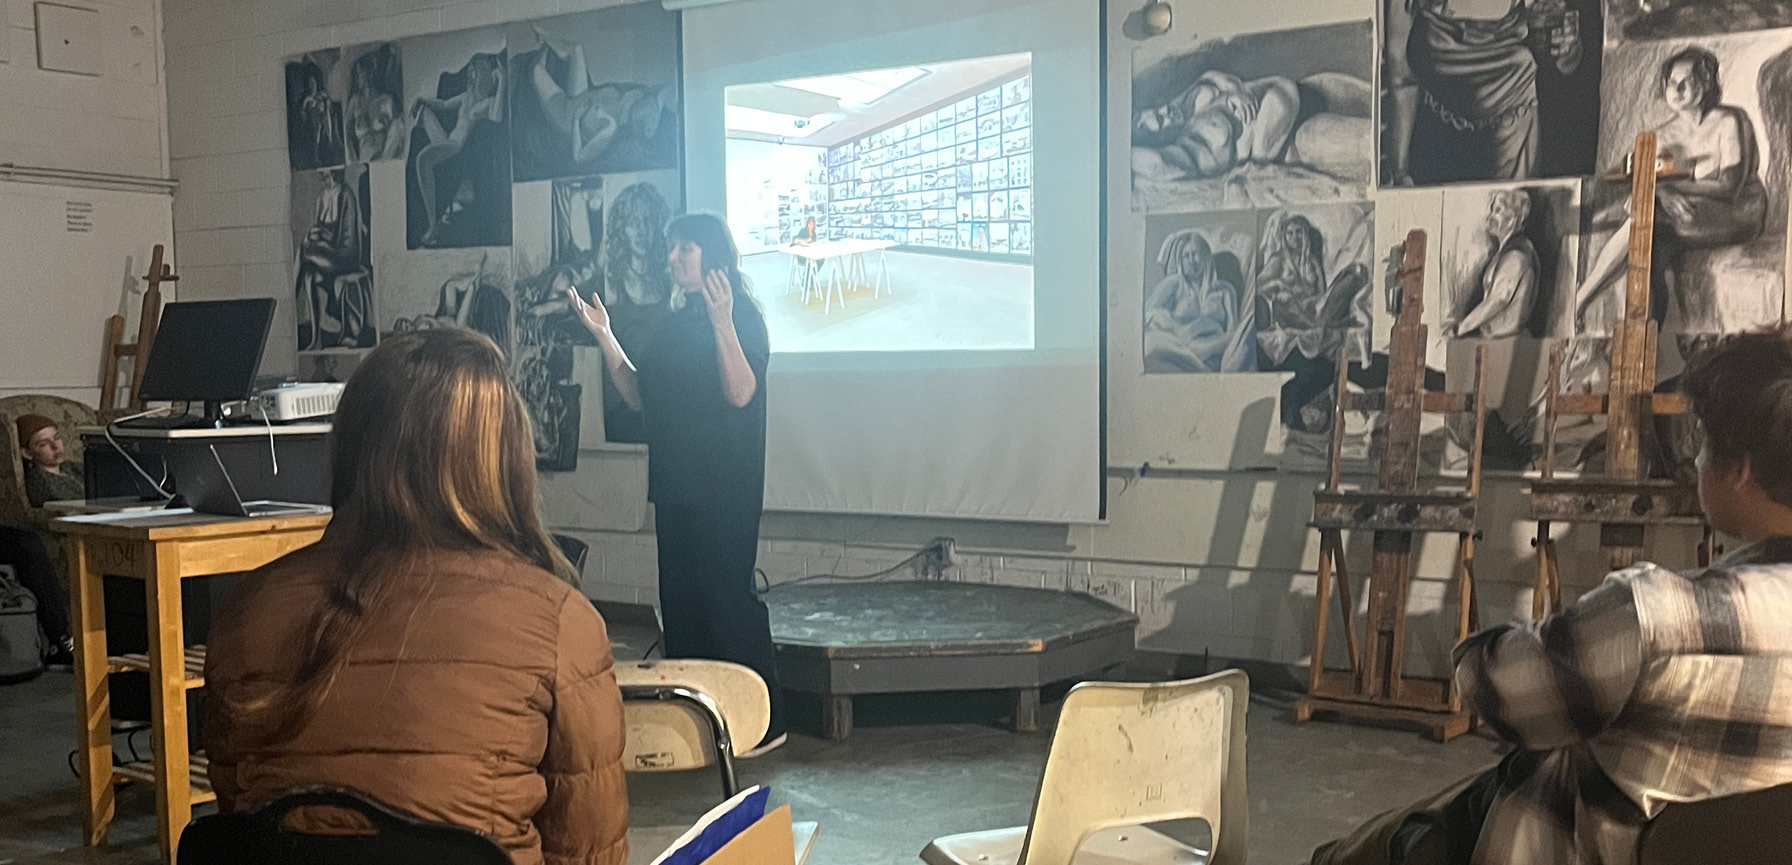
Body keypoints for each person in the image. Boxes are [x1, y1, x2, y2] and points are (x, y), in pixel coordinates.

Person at [1310, 322, 1792, 865]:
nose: (1697, 460)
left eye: (1703, 443)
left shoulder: (1658, 616)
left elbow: (1491, 686)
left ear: (1741, 470)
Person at [202, 329, 628, 865]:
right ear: (505, 458)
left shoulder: (247, 608)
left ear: (352, 445)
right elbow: (589, 851)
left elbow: (236, 808)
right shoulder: (560, 622)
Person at [567, 213, 787, 756]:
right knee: (682, 604)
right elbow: (637, 393)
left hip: (724, 489)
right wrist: (605, 335)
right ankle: (702, 726)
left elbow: (741, 393)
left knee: (727, 602)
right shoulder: (671, 324)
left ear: (713, 255)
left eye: (684, 248)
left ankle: (764, 724)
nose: (671, 258)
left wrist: (722, 323)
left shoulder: (743, 317)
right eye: (671, 249)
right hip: (675, 486)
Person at [1573, 47, 1767, 333]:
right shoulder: (1662, 134)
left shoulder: (1729, 120)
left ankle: (1579, 301)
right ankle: (1648, 335)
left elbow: (1729, 187)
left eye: (1685, 82)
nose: (1676, 90)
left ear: (1705, 83)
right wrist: (1659, 192)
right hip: (1687, 214)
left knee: (1642, 217)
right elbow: (1644, 178)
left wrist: (1662, 188)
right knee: (1649, 252)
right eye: (1671, 82)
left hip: (1737, 212)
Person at [1383, 0, 1582, 185]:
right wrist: (1400, 172)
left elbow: (1565, 62)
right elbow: (1402, 81)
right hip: (1437, 139)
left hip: (1513, 138)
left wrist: (1568, 46)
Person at [1132, 70, 1372, 184]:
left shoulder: (1190, 103)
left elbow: (1211, 76)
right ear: (1160, 140)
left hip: (1286, 95)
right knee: (1356, 141)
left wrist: (1236, 90)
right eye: (1161, 120)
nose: (1166, 111)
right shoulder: (1185, 151)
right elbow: (1156, 165)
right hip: (1290, 140)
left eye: (1159, 109)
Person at [411, 54, 505, 247]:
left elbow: (497, 118)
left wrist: (502, 80)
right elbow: (444, 104)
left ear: (486, 75)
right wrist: (423, 99)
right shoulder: (465, 97)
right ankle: (428, 220)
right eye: (472, 71)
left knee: (422, 159)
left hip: (458, 147)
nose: (473, 76)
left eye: (478, 71)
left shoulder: (488, 102)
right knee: (424, 111)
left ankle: (433, 225)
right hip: (447, 141)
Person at [1143, 230, 1256, 372]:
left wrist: (1208, 348)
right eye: (1186, 256)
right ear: (1180, 261)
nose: (1191, 261)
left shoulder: (1226, 290)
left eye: (1195, 254)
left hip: (1218, 357)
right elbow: (1149, 317)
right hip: (1181, 354)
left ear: (1206, 256)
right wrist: (1179, 330)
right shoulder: (1172, 285)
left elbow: (1233, 335)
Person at [294, 166, 372, 350]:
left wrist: (322, 235)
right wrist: (314, 234)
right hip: (326, 253)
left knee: (304, 250)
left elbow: (346, 239)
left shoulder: (345, 194)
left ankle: (292, 294)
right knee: (310, 275)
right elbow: (317, 230)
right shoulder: (321, 197)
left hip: (344, 255)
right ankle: (316, 338)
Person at [1447, 188, 1538, 339]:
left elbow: (1498, 300)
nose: (1490, 217)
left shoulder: (1516, 255)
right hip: (1496, 340)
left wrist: (1460, 329)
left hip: (1507, 342)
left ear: (1515, 218)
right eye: (1492, 210)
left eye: (1498, 211)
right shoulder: (1504, 252)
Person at [17, 415, 83, 508]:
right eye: (43, 444)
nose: (55, 446)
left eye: (57, 438)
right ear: (27, 453)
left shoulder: (74, 467)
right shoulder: (40, 485)